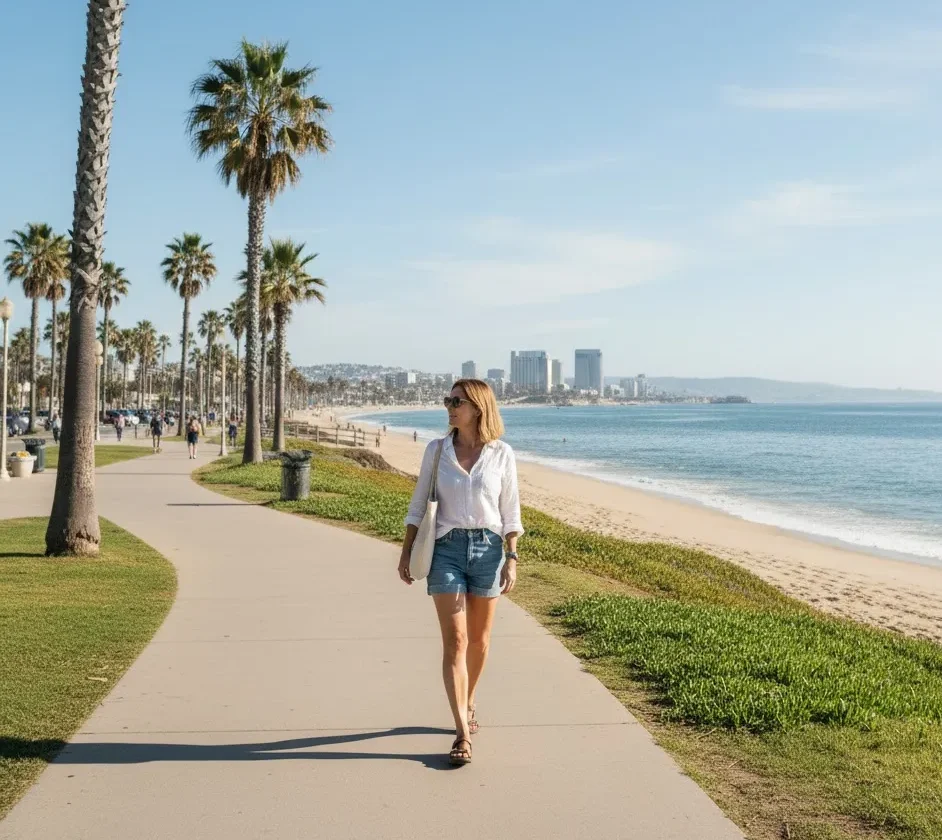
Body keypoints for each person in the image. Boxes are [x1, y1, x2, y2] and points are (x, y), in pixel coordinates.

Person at [398, 379, 523, 767]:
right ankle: (462, 734)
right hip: (447, 551)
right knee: (456, 640)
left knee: (480, 642)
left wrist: (512, 556)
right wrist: (405, 550)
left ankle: (469, 700)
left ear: (478, 407)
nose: (450, 407)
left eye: (457, 401)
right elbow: (419, 503)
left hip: (488, 550)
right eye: (448, 400)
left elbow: (511, 512)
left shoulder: (502, 454)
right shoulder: (437, 451)